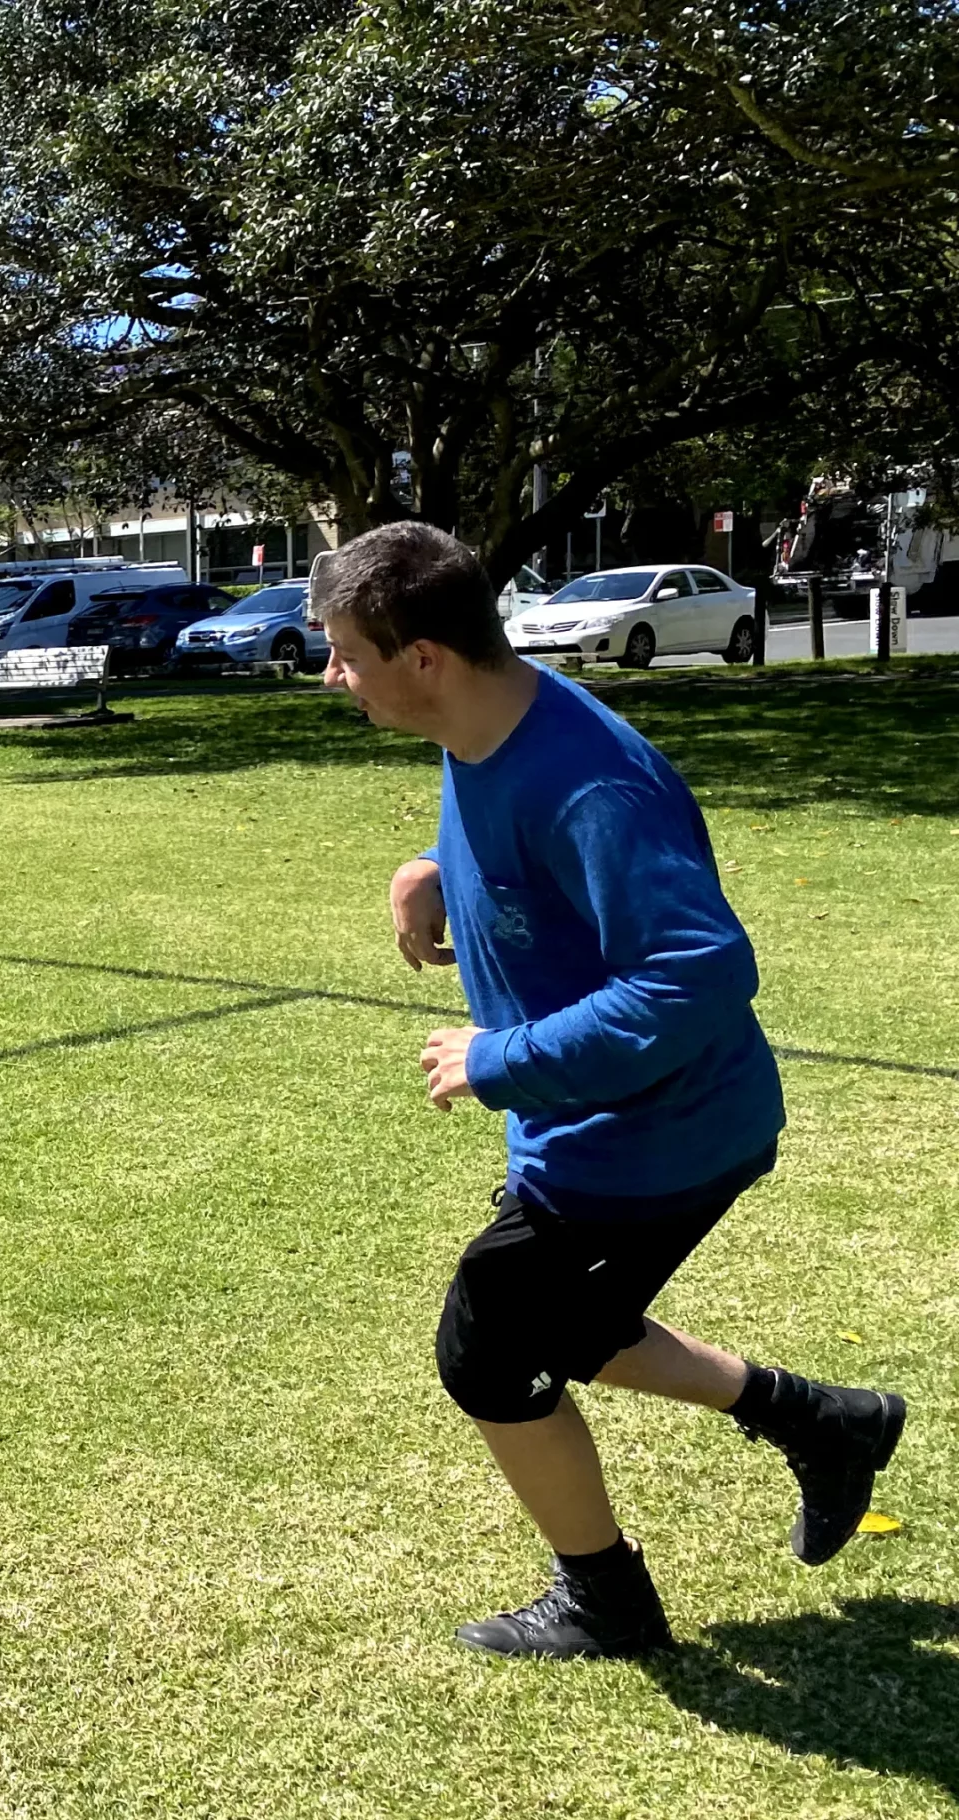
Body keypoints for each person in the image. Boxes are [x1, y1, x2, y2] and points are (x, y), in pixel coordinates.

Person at [312, 523, 907, 1659]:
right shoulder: (482, 724)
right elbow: (525, 842)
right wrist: (435, 872)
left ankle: (606, 1600)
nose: (334, 674)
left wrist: (498, 1060)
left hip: (654, 1135)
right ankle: (824, 1421)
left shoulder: (590, 779)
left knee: (488, 1348)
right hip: (599, 1124)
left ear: (424, 654)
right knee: (563, 1325)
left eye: (345, 652)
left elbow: (697, 973)